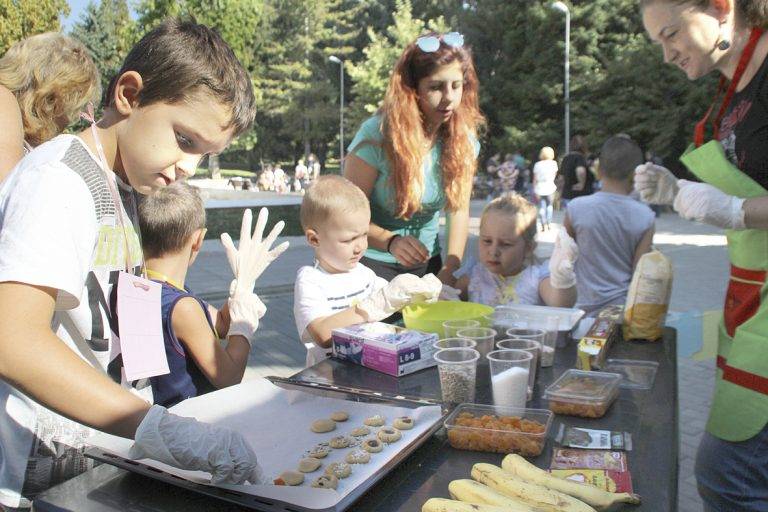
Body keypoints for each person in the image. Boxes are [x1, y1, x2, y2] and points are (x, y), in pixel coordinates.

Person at [0, 19, 266, 508]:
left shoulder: (125, 187)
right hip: (37, 476)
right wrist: (155, 428)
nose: (189, 168)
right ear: (128, 94)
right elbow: (12, 339)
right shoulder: (58, 182)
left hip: (102, 452)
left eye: (204, 156)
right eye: (185, 140)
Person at [639, 1, 768, 510]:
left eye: (671, 34)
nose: (667, 55)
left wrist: (736, 210)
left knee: (727, 470)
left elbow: (742, 204)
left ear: (721, 8)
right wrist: (678, 193)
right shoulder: (731, 91)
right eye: (659, 43)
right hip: (751, 298)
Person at [344, 31, 484, 286]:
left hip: (429, 266)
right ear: (412, 89)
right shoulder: (376, 136)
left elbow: (458, 210)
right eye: (436, 87)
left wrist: (450, 268)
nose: (449, 98)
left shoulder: (464, 140)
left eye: (457, 85)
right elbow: (345, 214)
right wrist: (390, 241)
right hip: (368, 267)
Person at [137, 183, 286, 408]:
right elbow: (228, 376)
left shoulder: (142, 286)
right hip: (184, 425)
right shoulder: (183, 308)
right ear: (198, 239)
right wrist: (244, 328)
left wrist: (243, 285)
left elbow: (222, 325)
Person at [293, 175, 441, 366]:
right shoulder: (311, 280)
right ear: (314, 239)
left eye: (364, 235)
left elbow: (397, 298)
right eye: (348, 240)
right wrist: (371, 307)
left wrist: (422, 291)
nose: (360, 247)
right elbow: (322, 334)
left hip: (368, 375)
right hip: (330, 381)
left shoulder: (364, 274)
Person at [563, 135, 655, 316]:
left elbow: (563, 261)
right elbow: (640, 273)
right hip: (620, 310)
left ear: (599, 170)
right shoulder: (645, 216)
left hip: (579, 308)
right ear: (635, 174)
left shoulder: (576, 208)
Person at [0, 32, 100, 180]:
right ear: (53, 97)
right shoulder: (4, 100)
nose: (72, 118)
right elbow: (7, 191)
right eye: (76, 105)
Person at [453, 193, 577, 308]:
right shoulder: (474, 275)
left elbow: (561, 304)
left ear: (528, 248)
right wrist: (445, 295)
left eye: (505, 244)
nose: (493, 251)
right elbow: (452, 301)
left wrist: (562, 278)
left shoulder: (536, 277)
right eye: (487, 241)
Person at [560, 135, 595, 207]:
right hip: (581, 195)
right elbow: (581, 171)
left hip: (567, 195)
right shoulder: (579, 158)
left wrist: (561, 190)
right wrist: (581, 183)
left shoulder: (566, 158)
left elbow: (561, 178)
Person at [532, 146, 558, 230]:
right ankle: (549, 222)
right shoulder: (553, 163)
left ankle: (543, 222)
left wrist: (534, 189)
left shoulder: (537, 164)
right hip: (550, 186)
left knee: (542, 206)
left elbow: (535, 179)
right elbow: (554, 176)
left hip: (540, 187)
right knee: (549, 206)